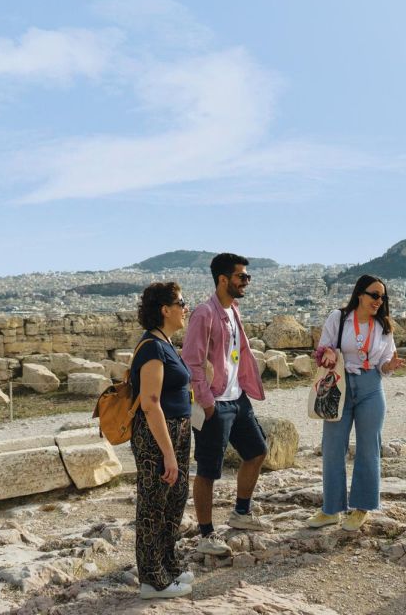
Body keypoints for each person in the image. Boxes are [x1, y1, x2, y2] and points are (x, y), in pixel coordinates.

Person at [182, 253, 271, 556]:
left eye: (247, 277)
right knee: (208, 469)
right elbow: (192, 362)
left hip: (237, 398)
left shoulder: (233, 309)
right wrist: (206, 403)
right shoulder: (203, 314)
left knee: (257, 451)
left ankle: (241, 513)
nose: (247, 281)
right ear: (223, 279)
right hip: (215, 403)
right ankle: (206, 534)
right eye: (242, 276)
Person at [308, 275, 406, 531]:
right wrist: (327, 354)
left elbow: (384, 364)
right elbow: (322, 349)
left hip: (371, 387)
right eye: (374, 295)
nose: (379, 301)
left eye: (382, 297)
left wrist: (391, 366)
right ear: (360, 294)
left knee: (368, 447)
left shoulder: (384, 326)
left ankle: (362, 507)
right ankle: (331, 510)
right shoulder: (338, 318)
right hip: (340, 384)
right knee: (332, 446)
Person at [130, 282, 193, 599]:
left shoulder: (165, 342)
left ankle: (167, 567)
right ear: (165, 309)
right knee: (154, 505)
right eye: (182, 302)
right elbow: (150, 401)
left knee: (174, 500)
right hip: (157, 435)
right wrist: (168, 453)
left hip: (177, 430)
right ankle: (151, 580)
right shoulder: (153, 347)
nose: (186, 307)